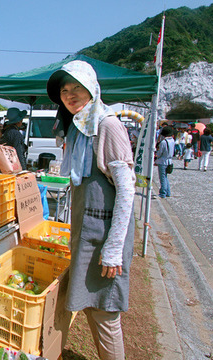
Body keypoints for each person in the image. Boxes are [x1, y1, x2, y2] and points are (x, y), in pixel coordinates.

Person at [46, 60, 135, 360]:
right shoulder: (80, 128)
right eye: (64, 90)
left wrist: (113, 248)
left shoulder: (107, 125)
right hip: (89, 234)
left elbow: (126, 189)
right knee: (93, 309)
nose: (70, 95)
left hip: (105, 237)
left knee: (106, 315)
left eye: (77, 88)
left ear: (92, 89)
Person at [155, 126, 175, 198]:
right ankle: (168, 192)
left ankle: (163, 193)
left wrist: (156, 156)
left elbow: (160, 153)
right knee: (165, 177)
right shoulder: (172, 140)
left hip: (163, 161)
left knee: (162, 178)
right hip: (169, 160)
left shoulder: (163, 142)